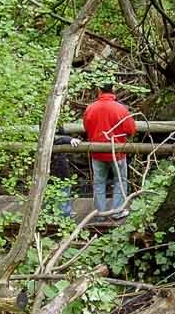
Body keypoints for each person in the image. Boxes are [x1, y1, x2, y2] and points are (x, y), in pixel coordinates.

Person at [83, 83, 137, 218]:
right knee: (120, 181)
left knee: (99, 182)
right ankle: (117, 212)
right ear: (113, 90)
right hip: (117, 152)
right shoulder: (121, 109)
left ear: (99, 90)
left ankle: (100, 213)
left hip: (97, 153)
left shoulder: (91, 108)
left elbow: (86, 127)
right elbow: (131, 129)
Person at [51, 129, 81, 217]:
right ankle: (64, 214)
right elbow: (58, 140)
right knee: (64, 188)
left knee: (57, 189)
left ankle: (55, 211)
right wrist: (69, 139)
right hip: (58, 168)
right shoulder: (51, 138)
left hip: (54, 168)